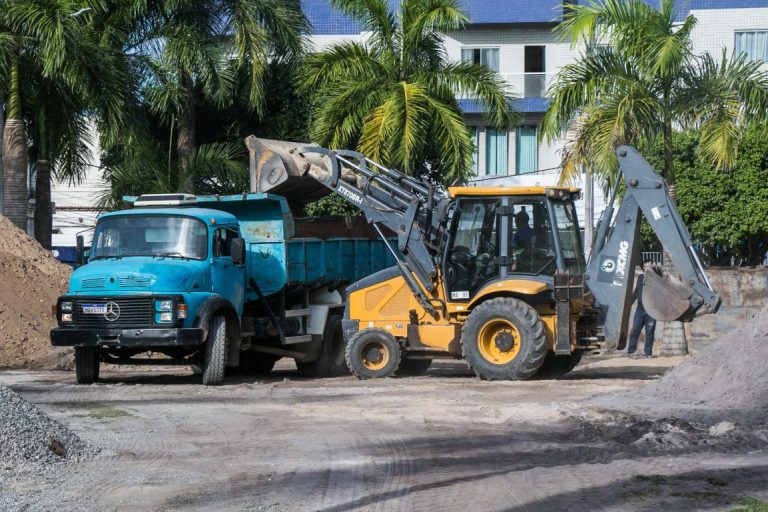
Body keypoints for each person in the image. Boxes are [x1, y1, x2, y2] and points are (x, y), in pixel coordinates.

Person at [627, 262, 656, 358]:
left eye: (649, 266)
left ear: (652, 267)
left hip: (651, 310)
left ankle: (648, 353)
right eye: (645, 266)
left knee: (650, 332)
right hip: (640, 309)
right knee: (635, 330)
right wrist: (628, 304)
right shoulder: (640, 277)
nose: (646, 268)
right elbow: (636, 291)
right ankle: (631, 351)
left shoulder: (656, 279)